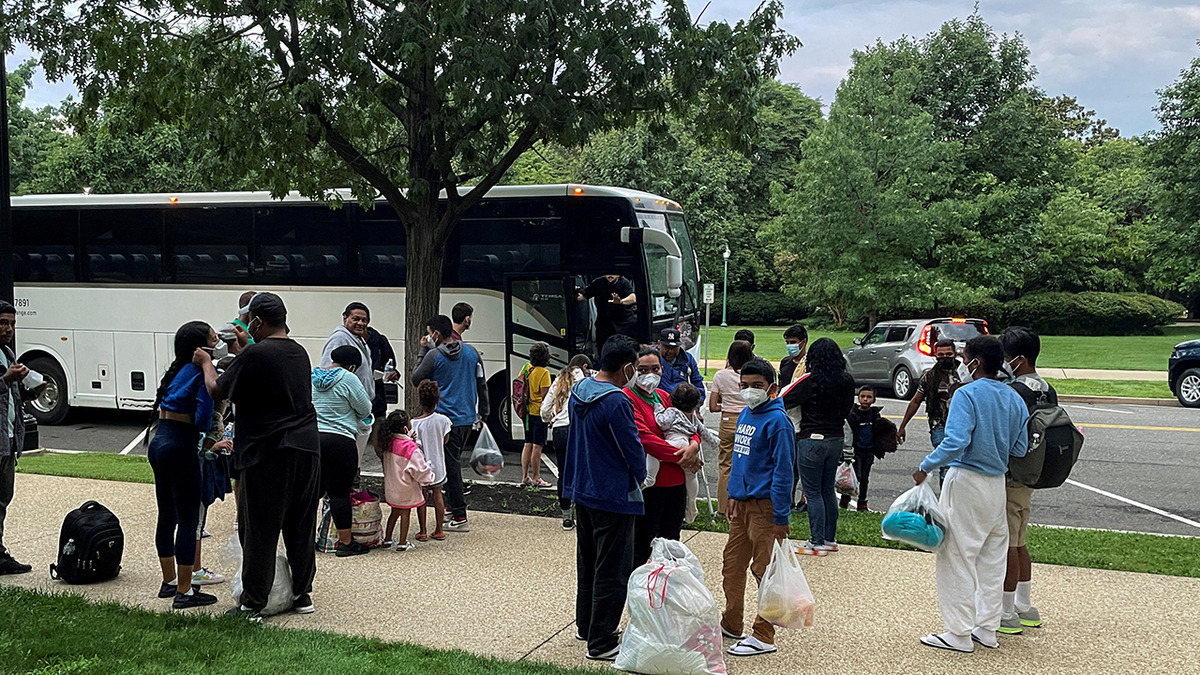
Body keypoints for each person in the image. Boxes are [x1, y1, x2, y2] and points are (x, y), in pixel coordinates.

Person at [194, 292, 322, 620]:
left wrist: (207, 362)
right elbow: (263, 368)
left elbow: (218, 389)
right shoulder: (299, 352)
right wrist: (245, 349)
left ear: (257, 322)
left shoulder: (257, 354)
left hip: (269, 451)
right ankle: (302, 594)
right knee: (300, 524)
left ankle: (253, 602)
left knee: (259, 529)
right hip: (307, 448)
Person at [913, 335, 1029, 654]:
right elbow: (1019, 447)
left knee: (956, 555)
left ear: (975, 362)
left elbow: (955, 442)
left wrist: (926, 464)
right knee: (991, 558)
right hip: (996, 485)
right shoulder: (1014, 397)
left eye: (965, 357)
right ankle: (987, 628)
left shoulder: (966, 394)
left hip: (966, 480)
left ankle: (958, 633)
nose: (962, 362)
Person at [562, 335, 645, 662]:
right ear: (626, 367)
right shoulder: (616, 402)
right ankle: (602, 641)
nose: (637, 373)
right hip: (613, 494)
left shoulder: (578, 392)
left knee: (589, 563)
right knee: (613, 569)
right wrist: (640, 476)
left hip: (583, 490)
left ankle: (587, 625)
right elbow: (632, 450)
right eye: (636, 367)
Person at [721, 358, 794, 657]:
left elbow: (783, 472)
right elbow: (740, 461)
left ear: (772, 388)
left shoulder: (778, 422)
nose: (749, 391)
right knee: (732, 565)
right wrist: (733, 494)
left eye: (757, 386)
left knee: (765, 571)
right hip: (742, 505)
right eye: (744, 386)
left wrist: (781, 516)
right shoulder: (746, 415)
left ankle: (763, 634)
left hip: (766, 507)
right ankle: (731, 622)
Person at [147, 321, 219, 609]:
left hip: (159, 442)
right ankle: (186, 591)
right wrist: (208, 367)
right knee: (189, 519)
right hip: (180, 446)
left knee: (166, 514)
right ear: (201, 348)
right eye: (214, 338)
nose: (219, 342)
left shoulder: (176, 371)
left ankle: (169, 582)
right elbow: (202, 420)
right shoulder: (201, 373)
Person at [998, 326, 1055, 636]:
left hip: (1012, 473)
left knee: (1007, 543)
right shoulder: (1046, 387)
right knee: (1020, 540)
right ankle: (1025, 604)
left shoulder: (1016, 390)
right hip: (1032, 474)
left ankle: (1006, 612)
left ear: (1018, 359)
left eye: (1005, 357)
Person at [411, 314, 489, 531]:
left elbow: (416, 378)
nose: (428, 336)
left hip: (443, 419)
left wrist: (422, 351)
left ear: (435, 334)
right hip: (466, 417)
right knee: (449, 462)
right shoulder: (472, 352)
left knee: (450, 466)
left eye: (429, 333)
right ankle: (448, 509)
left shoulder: (434, 355)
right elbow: (482, 383)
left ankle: (460, 515)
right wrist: (484, 412)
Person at [625, 347, 702, 564]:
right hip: (651, 486)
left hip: (676, 483)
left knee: (672, 542)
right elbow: (646, 439)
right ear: (632, 370)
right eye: (642, 369)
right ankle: (641, 592)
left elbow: (691, 424)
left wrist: (694, 446)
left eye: (655, 368)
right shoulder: (628, 399)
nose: (650, 374)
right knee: (643, 543)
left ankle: (667, 589)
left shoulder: (665, 397)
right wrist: (684, 456)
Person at [782, 337, 855, 555]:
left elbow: (783, 398)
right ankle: (829, 539)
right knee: (827, 490)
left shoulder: (810, 380)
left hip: (811, 438)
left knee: (812, 491)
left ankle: (816, 542)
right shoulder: (847, 380)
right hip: (836, 438)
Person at [311, 345, 374, 557]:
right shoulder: (349, 378)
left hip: (312, 439)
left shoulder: (311, 375)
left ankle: (304, 539)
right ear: (353, 366)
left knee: (310, 493)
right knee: (339, 493)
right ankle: (346, 543)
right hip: (340, 440)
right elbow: (365, 408)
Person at [897, 338, 964, 487]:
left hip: (962, 426)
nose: (945, 357)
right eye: (940, 354)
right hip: (939, 425)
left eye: (948, 354)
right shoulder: (929, 377)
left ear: (955, 353)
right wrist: (902, 426)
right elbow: (915, 401)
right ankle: (945, 502)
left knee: (962, 465)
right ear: (935, 355)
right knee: (946, 465)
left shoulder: (964, 374)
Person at [0, 302, 35, 576]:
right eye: (2, 323)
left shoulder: (8, 352)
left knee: (2, 500)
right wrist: (6, 378)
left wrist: (34, 390)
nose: (8, 329)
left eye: (11, 323)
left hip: (8, 441)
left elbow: (12, 398)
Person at [650, 383, 717, 523]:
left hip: (673, 442)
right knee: (691, 477)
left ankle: (650, 477)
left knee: (653, 455)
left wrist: (658, 409)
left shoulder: (672, 411)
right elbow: (704, 432)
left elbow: (662, 423)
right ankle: (692, 503)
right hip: (686, 444)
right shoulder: (693, 417)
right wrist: (716, 442)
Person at [321, 303, 376, 467]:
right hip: (345, 409)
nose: (361, 323)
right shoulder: (340, 338)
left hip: (356, 407)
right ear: (345, 317)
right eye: (356, 319)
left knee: (352, 458)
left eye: (364, 320)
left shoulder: (359, 338)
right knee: (344, 461)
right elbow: (328, 370)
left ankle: (351, 486)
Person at [543, 354, 592, 530]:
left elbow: (544, 410)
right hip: (577, 429)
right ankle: (583, 514)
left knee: (563, 473)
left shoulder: (557, 381)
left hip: (559, 431)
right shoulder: (586, 379)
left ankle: (566, 516)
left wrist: (551, 418)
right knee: (582, 472)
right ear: (584, 366)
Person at [710, 340, 754, 518]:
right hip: (748, 419)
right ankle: (743, 507)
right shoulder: (751, 375)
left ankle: (722, 508)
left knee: (725, 465)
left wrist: (726, 404)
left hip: (728, 419)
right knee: (748, 464)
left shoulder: (720, 376)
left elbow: (713, 406)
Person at [382, 410, 434, 552]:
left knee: (394, 513)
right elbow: (419, 469)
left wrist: (410, 439)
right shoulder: (410, 448)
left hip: (392, 487)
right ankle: (402, 543)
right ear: (405, 427)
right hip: (406, 487)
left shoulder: (388, 442)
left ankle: (387, 540)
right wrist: (429, 478)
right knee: (406, 513)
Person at [411, 380, 451, 542]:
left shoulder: (414, 423)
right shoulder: (443, 420)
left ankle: (423, 531)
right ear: (437, 401)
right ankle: (439, 529)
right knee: (437, 495)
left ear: (420, 400)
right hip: (438, 466)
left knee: (422, 497)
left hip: (421, 467)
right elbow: (445, 440)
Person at [844, 385, 883, 511]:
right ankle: (845, 497)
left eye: (869, 397)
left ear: (874, 400)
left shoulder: (874, 415)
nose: (865, 399)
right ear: (858, 398)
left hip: (869, 450)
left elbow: (882, 431)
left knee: (865, 478)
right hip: (856, 451)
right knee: (853, 476)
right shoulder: (853, 414)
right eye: (863, 396)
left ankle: (862, 502)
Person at [520, 342, 553, 488]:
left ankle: (525, 476)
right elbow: (546, 396)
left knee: (527, 443)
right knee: (537, 447)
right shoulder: (544, 373)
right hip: (539, 413)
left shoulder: (527, 368)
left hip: (526, 413)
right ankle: (536, 477)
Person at [366, 326, 401, 461]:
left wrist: (393, 374)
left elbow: (392, 366)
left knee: (381, 446)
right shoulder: (347, 341)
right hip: (355, 404)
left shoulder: (379, 341)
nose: (360, 324)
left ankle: (390, 476)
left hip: (377, 402)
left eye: (363, 320)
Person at [579, 274, 637, 352]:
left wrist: (620, 302)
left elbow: (633, 298)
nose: (610, 275)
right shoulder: (598, 283)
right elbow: (583, 296)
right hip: (604, 323)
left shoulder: (624, 282)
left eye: (613, 273)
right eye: (608, 272)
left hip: (624, 323)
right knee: (603, 349)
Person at [656, 328, 705, 400]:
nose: (670, 351)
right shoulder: (651, 358)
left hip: (682, 404)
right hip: (658, 402)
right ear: (659, 344)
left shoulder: (688, 359)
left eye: (674, 348)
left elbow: (697, 382)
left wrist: (698, 402)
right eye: (667, 347)